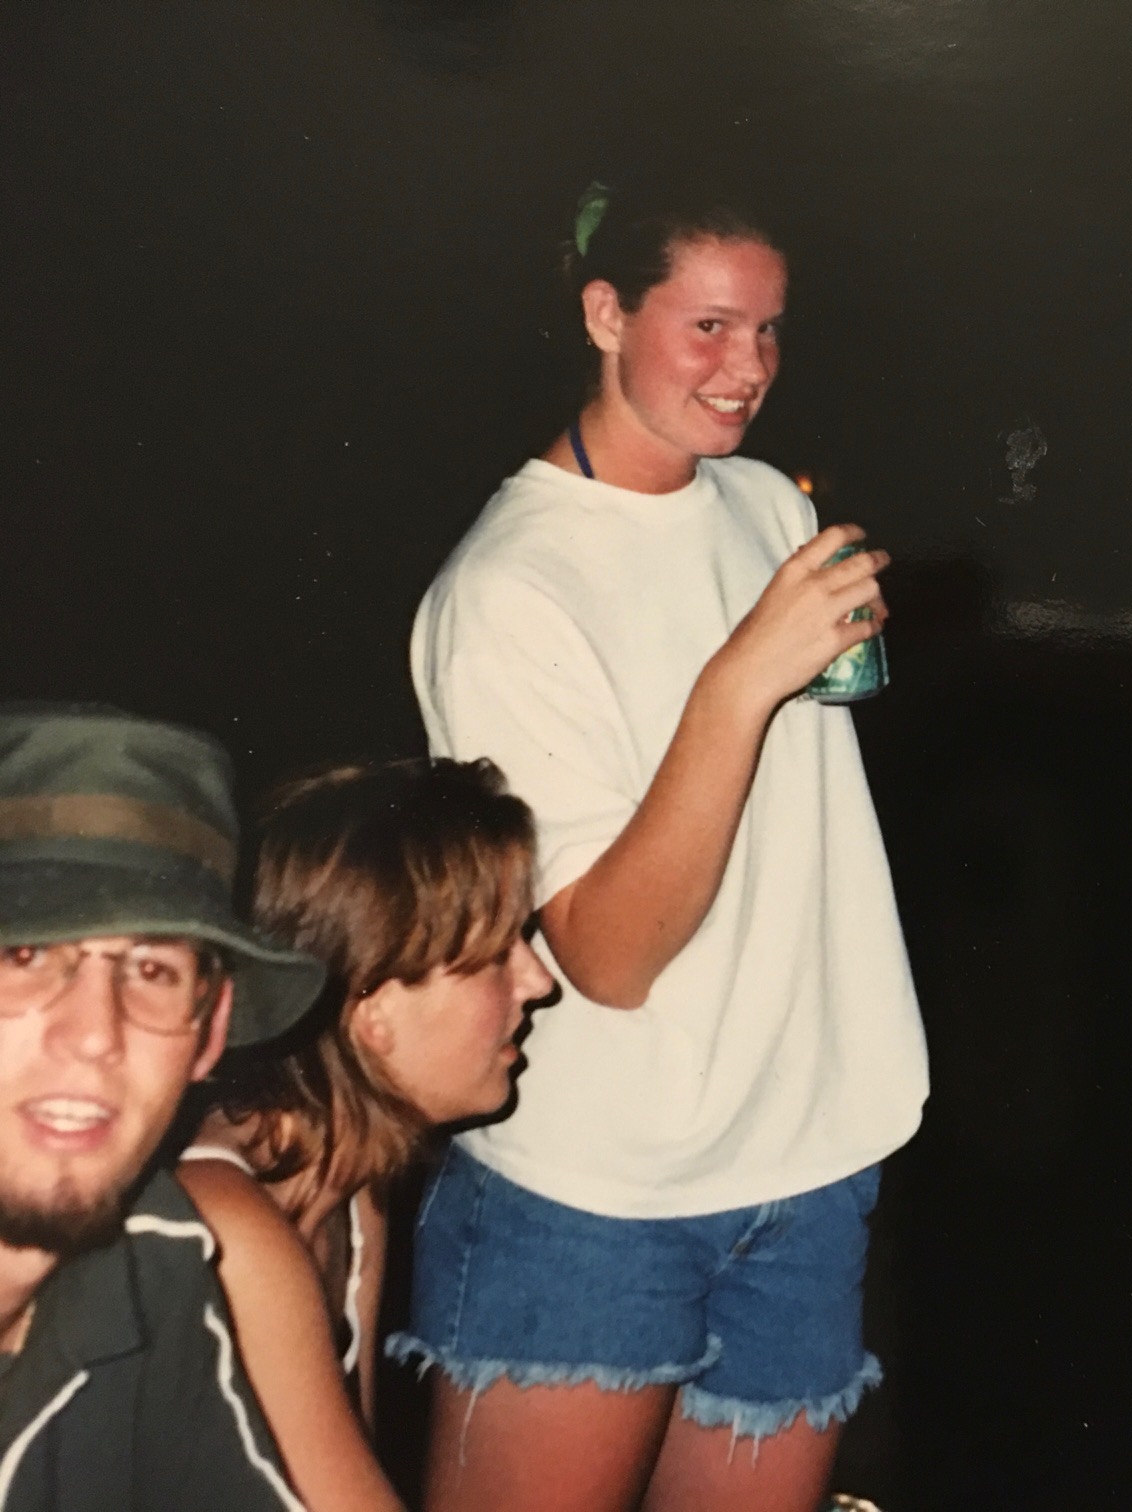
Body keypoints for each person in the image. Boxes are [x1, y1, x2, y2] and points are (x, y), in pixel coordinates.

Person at [400, 182, 929, 1512]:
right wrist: (739, 679)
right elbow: (608, 956)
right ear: (604, 315)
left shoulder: (765, 508)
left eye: (768, 329)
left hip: (806, 1160)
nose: (747, 366)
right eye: (707, 326)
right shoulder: (507, 588)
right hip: (596, 1193)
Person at [176, 758, 553, 1512]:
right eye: (495, 957)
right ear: (372, 1013)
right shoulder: (229, 1227)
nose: (539, 981)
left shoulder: (352, 1192)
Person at [0, 703, 326, 1511]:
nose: (95, 1034)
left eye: (152, 972)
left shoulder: (153, 1260)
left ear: (209, 1032)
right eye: (25, 955)